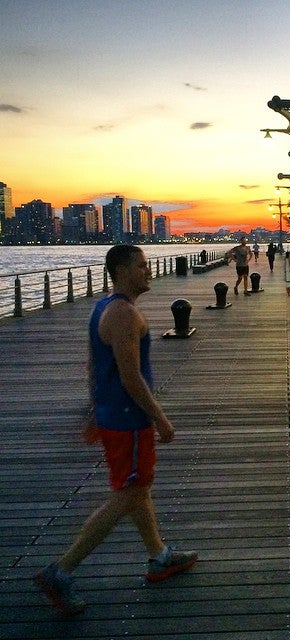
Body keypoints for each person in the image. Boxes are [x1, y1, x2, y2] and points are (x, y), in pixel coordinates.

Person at [33, 244, 197, 616]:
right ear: (122, 271)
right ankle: (61, 570)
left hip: (113, 415)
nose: (148, 271)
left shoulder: (102, 307)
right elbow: (130, 375)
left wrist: (95, 406)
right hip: (128, 420)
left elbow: (94, 364)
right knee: (129, 493)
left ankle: (160, 556)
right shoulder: (123, 314)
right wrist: (159, 417)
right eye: (141, 266)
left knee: (137, 489)